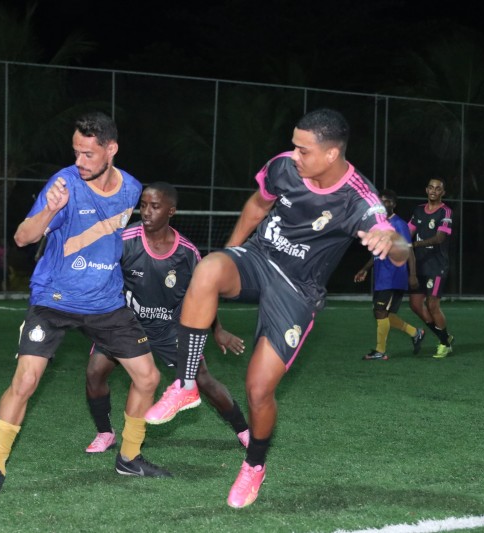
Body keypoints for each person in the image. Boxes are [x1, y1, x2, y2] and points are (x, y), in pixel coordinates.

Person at [144, 108, 410, 508]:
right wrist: (230, 252)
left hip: (297, 290)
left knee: (258, 388)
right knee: (209, 269)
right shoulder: (283, 168)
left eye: (304, 150)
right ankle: (185, 385)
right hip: (258, 258)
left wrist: (391, 240)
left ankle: (254, 466)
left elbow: (397, 247)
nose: (294, 154)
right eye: (294, 145)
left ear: (332, 154)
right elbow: (256, 207)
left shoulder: (359, 198)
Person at [0, 111, 170, 501]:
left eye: (89, 155)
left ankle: (129, 458)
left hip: (105, 301)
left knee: (148, 379)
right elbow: (23, 237)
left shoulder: (131, 189)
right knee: (25, 381)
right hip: (54, 299)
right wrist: (49, 208)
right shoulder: (63, 183)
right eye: (76, 152)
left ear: (111, 150)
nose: (80, 161)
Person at [84, 182, 250, 454]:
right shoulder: (125, 241)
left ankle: (244, 430)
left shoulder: (187, 253)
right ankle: (105, 433)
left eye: (155, 206)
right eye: (144, 205)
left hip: (169, 329)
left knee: (203, 381)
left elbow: (203, 295)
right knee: (94, 372)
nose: (147, 212)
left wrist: (218, 329)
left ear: (171, 211)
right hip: (127, 326)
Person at [354, 189, 425, 360]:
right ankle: (416, 333)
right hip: (381, 276)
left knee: (380, 311)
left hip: (394, 275)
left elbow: (409, 252)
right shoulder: (379, 225)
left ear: (393, 204)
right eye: (380, 201)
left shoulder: (399, 224)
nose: (382, 204)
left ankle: (380, 351)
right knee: (384, 314)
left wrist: (413, 275)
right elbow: (378, 252)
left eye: (386, 201)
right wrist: (365, 269)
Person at [407, 178, 454, 358]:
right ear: (426, 190)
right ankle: (445, 337)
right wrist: (394, 236)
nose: (434, 191)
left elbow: (440, 238)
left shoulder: (446, 212)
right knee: (415, 305)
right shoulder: (419, 209)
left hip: (437, 265)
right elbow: (407, 230)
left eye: (438, 188)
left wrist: (416, 244)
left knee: (432, 304)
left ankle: (444, 344)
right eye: (431, 187)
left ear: (442, 192)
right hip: (418, 265)